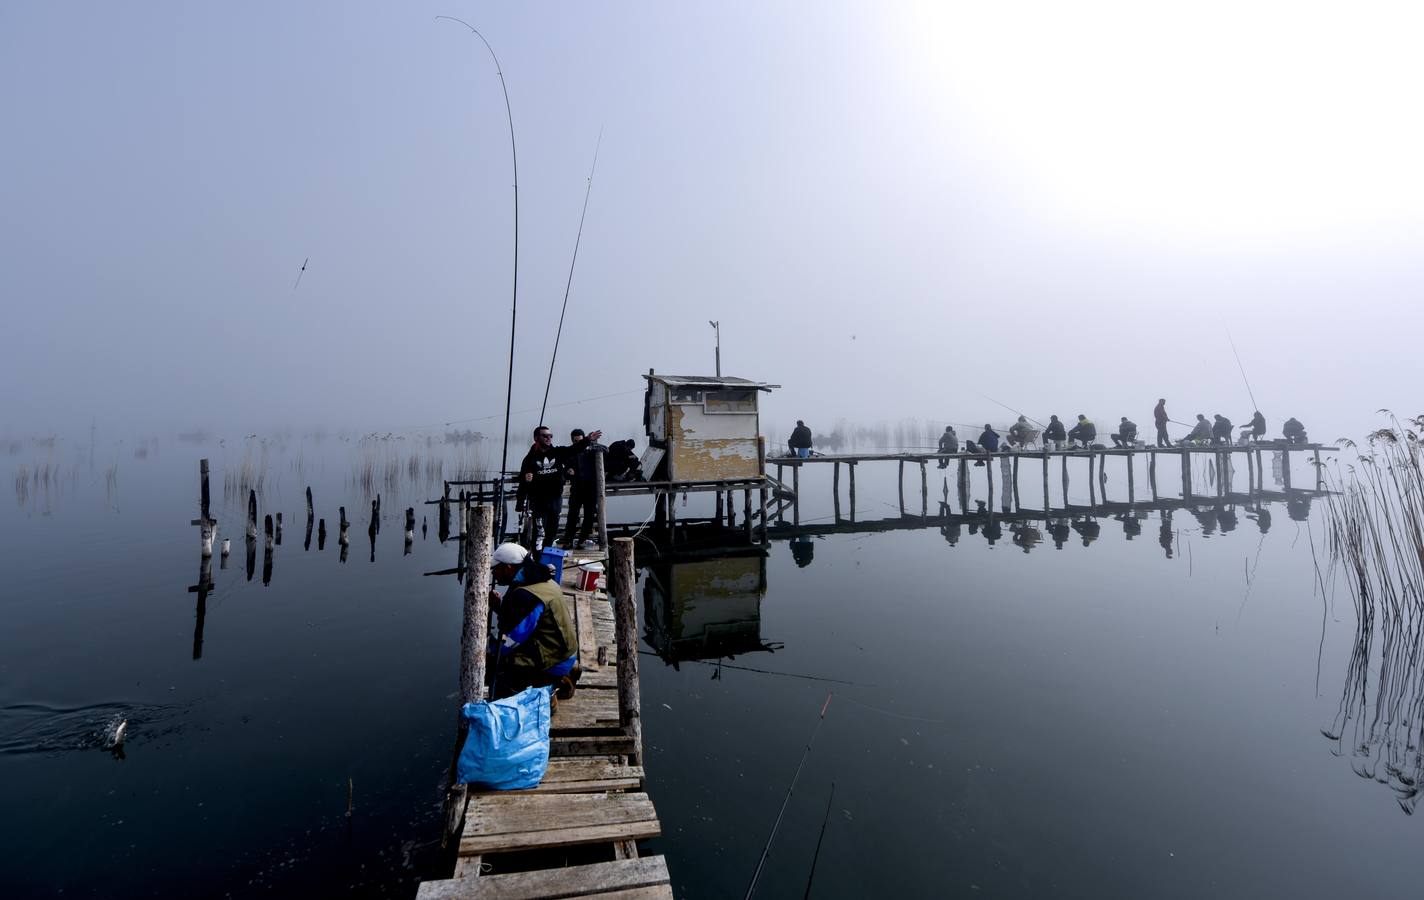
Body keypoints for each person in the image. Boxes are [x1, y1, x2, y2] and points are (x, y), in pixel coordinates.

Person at [488, 542, 579, 700]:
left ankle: (551, 692)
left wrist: (488, 648)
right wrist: (499, 608)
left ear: (508, 568)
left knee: (499, 666)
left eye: (495, 569)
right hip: (563, 650)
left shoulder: (526, 596)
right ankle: (559, 675)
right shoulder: (541, 579)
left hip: (556, 659)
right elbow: (522, 621)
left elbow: (511, 641)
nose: (493, 574)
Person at [518, 424, 600, 550]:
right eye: (544, 436)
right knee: (539, 534)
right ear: (536, 438)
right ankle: (538, 561)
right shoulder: (530, 459)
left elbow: (574, 449)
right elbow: (523, 483)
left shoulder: (557, 452)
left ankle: (546, 559)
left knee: (551, 533)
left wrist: (587, 439)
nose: (548, 438)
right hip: (538, 501)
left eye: (550, 436)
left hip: (555, 500)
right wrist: (520, 501)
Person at [561, 429, 599, 549]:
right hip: (576, 488)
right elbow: (564, 471)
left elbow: (606, 450)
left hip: (591, 488)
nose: (578, 443)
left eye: (580, 441)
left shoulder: (592, 450)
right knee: (572, 515)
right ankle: (568, 540)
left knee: (589, 516)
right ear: (572, 441)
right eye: (575, 441)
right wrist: (568, 472)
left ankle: (582, 540)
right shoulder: (569, 452)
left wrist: (593, 443)